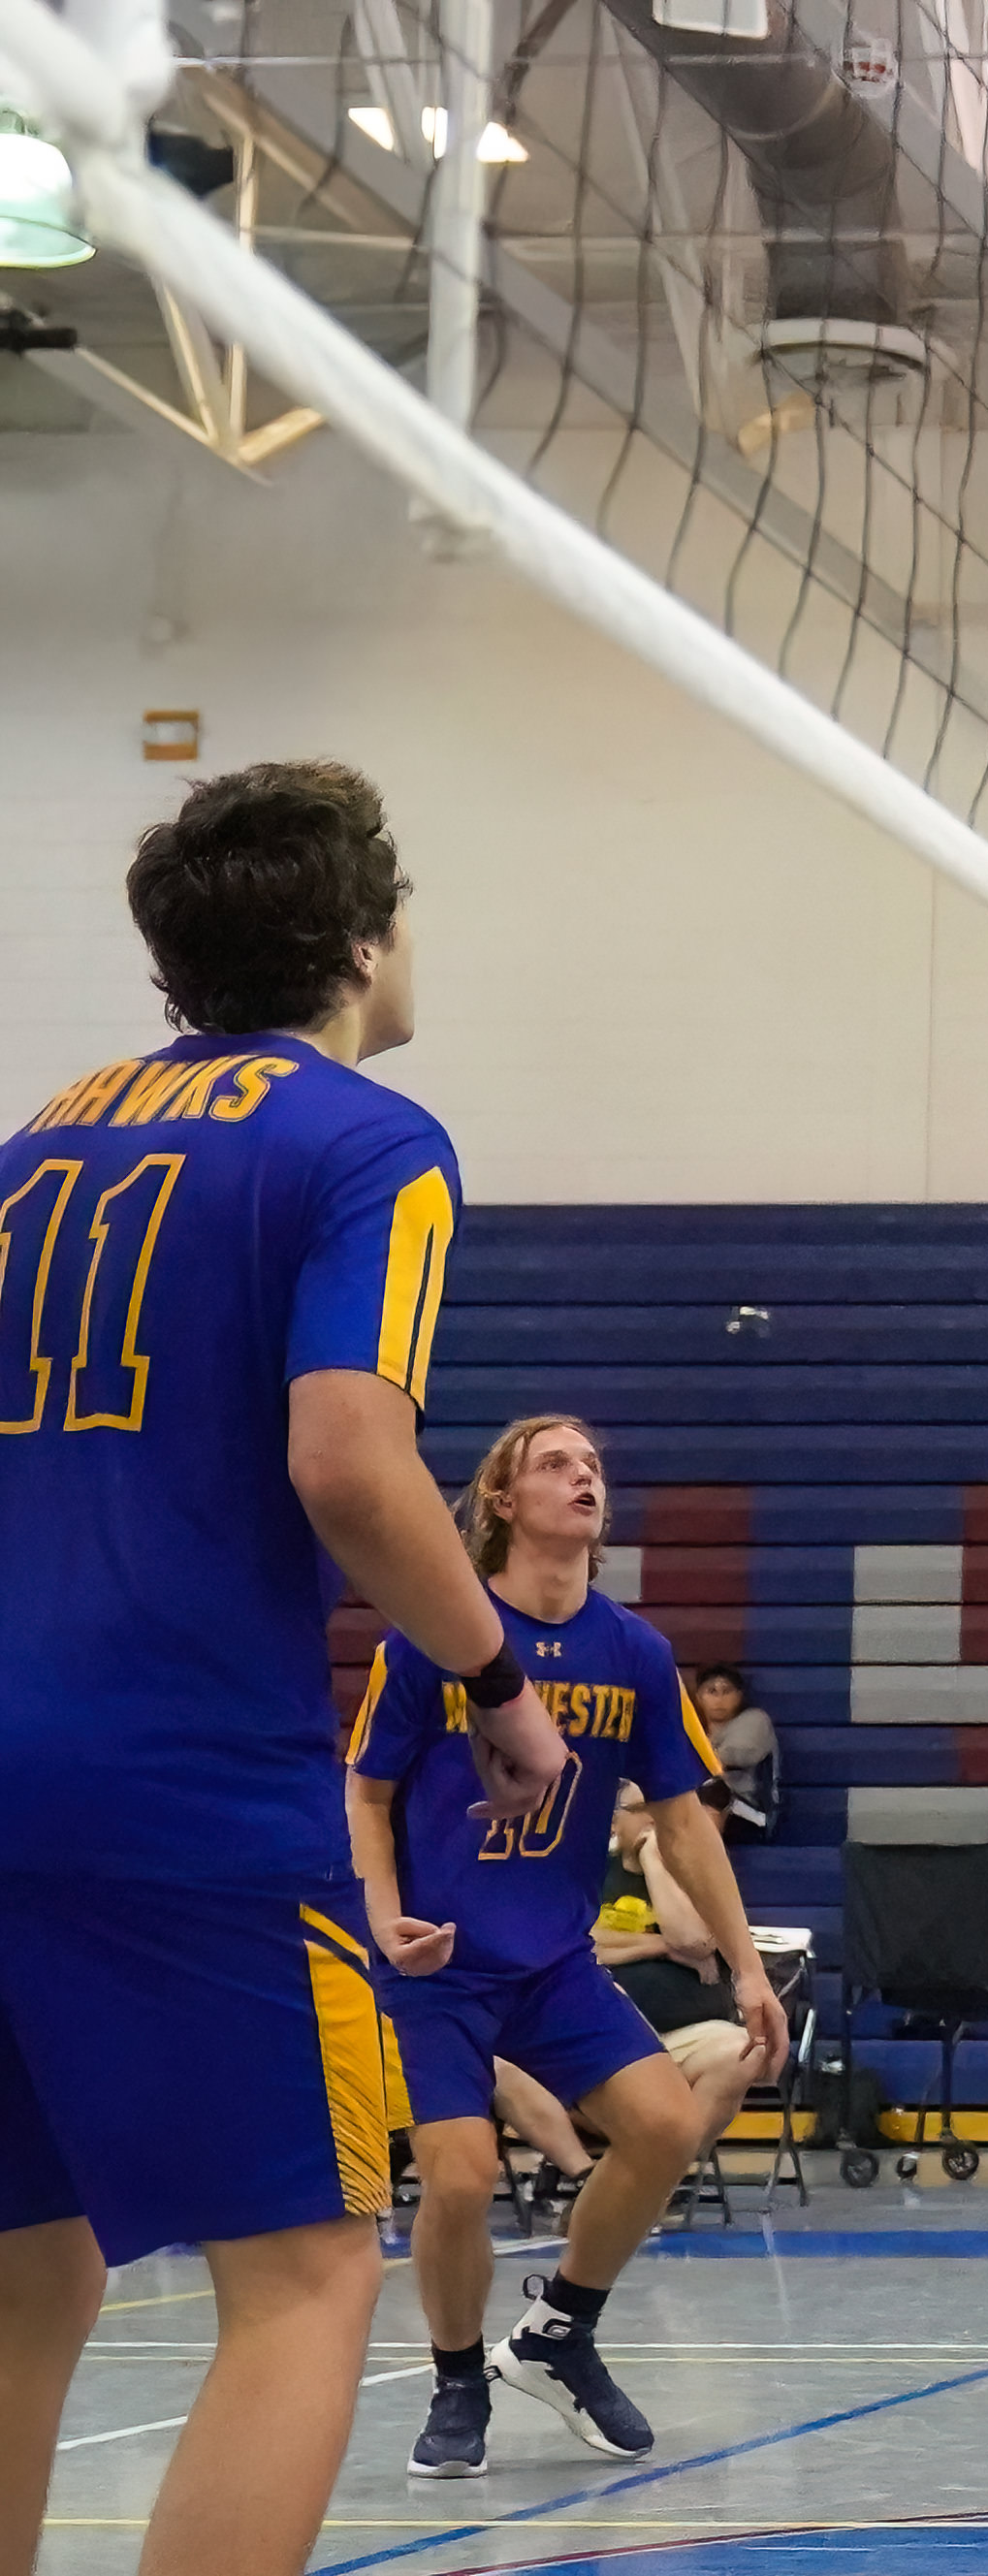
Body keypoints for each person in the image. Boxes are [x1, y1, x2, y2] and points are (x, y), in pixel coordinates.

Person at [0, 761, 571, 2576]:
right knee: (312, 2271)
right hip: (183, 1788)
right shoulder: (363, 1140)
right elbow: (348, 1457)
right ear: (359, 937)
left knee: (24, 2279)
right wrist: (493, 1678)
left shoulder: (31, 1145)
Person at [348, 1414, 785, 2478]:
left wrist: (747, 1964)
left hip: (552, 1960)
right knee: (457, 2178)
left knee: (667, 2124)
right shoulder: (428, 1633)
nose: (583, 1475)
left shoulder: (633, 1650)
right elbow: (363, 1794)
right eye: (555, 1462)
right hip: (437, 1962)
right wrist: (380, 1913)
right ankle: (459, 2380)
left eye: (592, 1463)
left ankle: (559, 2331)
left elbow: (683, 1820)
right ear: (501, 1499)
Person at [590, 1779, 764, 2155]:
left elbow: (694, 1939)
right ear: (615, 1822)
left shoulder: (696, 1875)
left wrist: (655, 1860)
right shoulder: (589, 1871)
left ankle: (661, 2167)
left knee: (742, 2052)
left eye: (660, 1806)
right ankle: (619, 2169)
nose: (653, 1817)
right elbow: (581, 1945)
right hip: (602, 2039)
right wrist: (660, 1945)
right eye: (639, 1809)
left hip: (685, 2037)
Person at [690, 1664, 777, 1839]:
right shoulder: (694, 1730)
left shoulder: (755, 1720)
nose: (719, 1698)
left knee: (714, 1791)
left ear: (739, 1695)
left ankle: (706, 1860)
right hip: (700, 1805)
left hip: (750, 1812)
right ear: (699, 1697)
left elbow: (736, 1756)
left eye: (727, 1691)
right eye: (712, 1691)